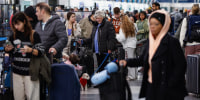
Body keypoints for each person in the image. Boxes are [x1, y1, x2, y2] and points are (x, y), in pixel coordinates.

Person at [119, 10, 188, 100]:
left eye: (156, 24)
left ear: (164, 25)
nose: (152, 27)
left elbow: (181, 65)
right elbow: (142, 60)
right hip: (152, 86)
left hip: (169, 89)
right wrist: (126, 62)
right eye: (151, 24)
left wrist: (171, 83)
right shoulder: (150, 42)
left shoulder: (172, 42)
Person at [5, 12, 45, 100]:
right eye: (14, 25)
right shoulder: (13, 36)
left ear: (24, 21)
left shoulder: (34, 35)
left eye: (18, 24)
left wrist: (30, 50)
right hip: (17, 72)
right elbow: (11, 52)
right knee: (18, 97)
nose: (16, 27)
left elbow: (41, 51)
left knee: (33, 97)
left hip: (31, 73)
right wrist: (8, 49)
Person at [35, 2, 67, 100]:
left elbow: (63, 38)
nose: (35, 13)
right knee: (40, 89)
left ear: (43, 11)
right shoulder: (38, 25)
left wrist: (55, 48)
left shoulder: (57, 23)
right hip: (39, 62)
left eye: (37, 11)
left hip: (52, 61)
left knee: (53, 88)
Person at [116, 15, 137, 80]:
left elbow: (122, 38)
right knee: (134, 60)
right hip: (133, 44)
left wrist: (116, 36)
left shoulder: (123, 27)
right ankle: (134, 75)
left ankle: (131, 76)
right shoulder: (133, 25)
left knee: (129, 61)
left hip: (128, 45)